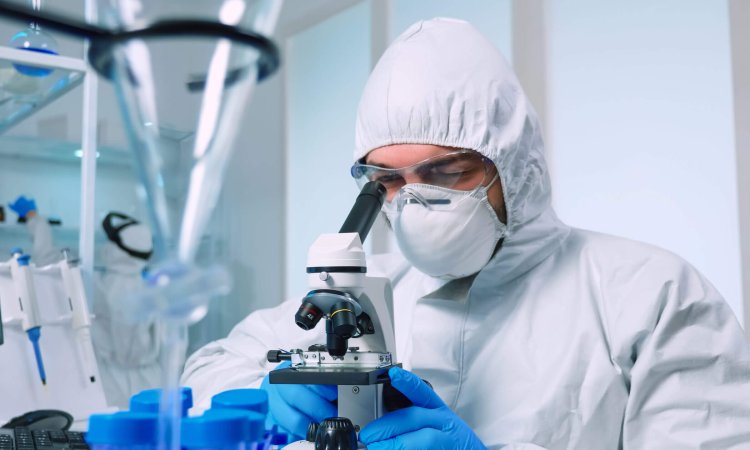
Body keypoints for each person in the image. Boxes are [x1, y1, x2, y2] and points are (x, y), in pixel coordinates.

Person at [181, 18, 750, 449]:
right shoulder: (373, 286)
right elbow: (210, 366)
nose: (416, 200)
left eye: (446, 173)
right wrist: (258, 399)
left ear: (514, 165)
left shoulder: (648, 294)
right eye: (388, 181)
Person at [93, 212, 162, 409]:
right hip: (149, 376)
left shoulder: (119, 285)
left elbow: (126, 348)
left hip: (119, 379)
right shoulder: (144, 283)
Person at [8, 195, 61, 266]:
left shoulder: (34, 222)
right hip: (46, 257)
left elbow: (40, 246)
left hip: (44, 258)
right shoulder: (40, 220)